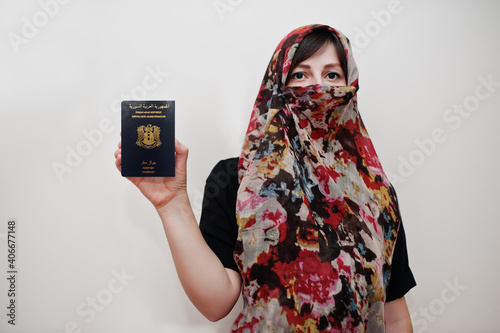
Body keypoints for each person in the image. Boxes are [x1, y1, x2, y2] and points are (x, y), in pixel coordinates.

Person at [115, 24, 416, 332]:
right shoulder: (236, 180)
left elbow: (394, 316)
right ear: (277, 87)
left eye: (332, 75)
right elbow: (215, 304)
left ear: (350, 86)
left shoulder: (375, 192)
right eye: (300, 75)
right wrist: (171, 204)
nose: (318, 87)